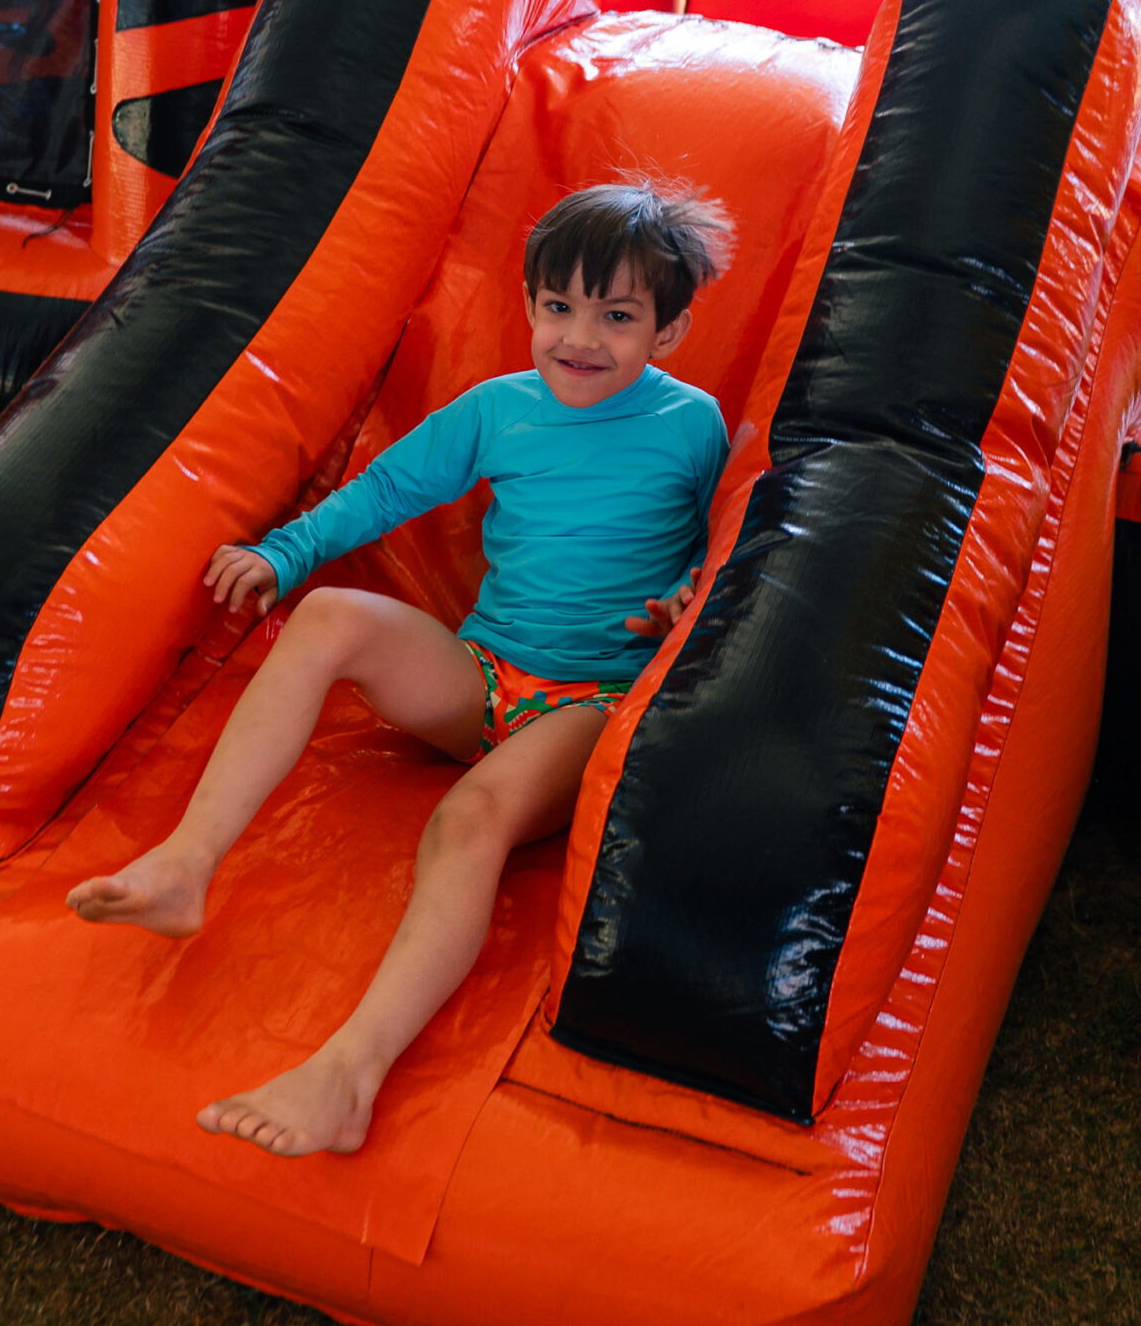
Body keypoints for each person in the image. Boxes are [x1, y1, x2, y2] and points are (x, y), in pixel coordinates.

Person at [65, 184, 734, 1157]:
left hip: (591, 704)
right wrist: (285, 554)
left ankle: (350, 1073)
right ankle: (185, 862)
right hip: (481, 673)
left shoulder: (692, 425)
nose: (579, 338)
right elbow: (386, 489)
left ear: (667, 331)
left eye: (617, 317)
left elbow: (718, 545)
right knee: (330, 613)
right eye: (558, 307)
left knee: (469, 819)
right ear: (529, 302)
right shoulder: (499, 410)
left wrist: (681, 602)